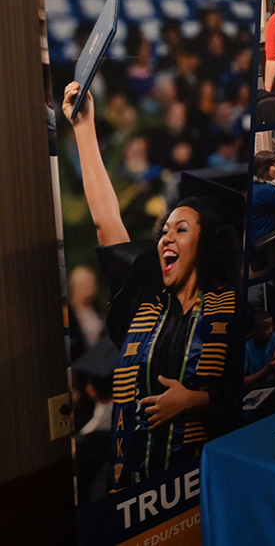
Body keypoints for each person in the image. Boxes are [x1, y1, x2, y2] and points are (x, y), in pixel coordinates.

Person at [62, 81, 242, 493]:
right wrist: (85, 129)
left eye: (181, 229)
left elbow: (243, 388)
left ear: (206, 242)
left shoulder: (230, 307)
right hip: (131, 491)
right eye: (164, 230)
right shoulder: (143, 301)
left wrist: (195, 400)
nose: (165, 237)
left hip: (202, 488)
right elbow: (107, 222)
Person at [243, 310, 275, 389]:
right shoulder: (246, 349)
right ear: (256, 331)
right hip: (254, 390)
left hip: (271, 384)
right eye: (267, 328)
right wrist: (266, 370)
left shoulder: (271, 337)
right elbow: (242, 383)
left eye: (271, 326)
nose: (271, 330)